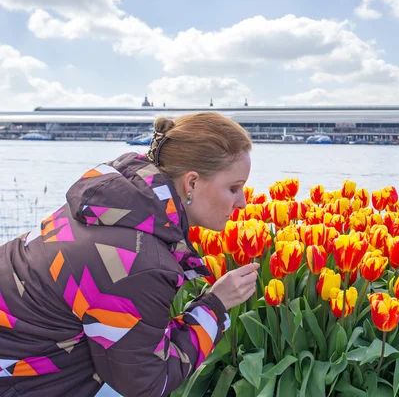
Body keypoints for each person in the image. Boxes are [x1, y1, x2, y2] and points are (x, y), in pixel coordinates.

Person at [0, 112, 259, 396]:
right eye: (234, 188)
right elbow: (148, 384)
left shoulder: (112, 205)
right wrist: (215, 305)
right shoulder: (140, 263)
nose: (243, 203)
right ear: (192, 183)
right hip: (20, 380)